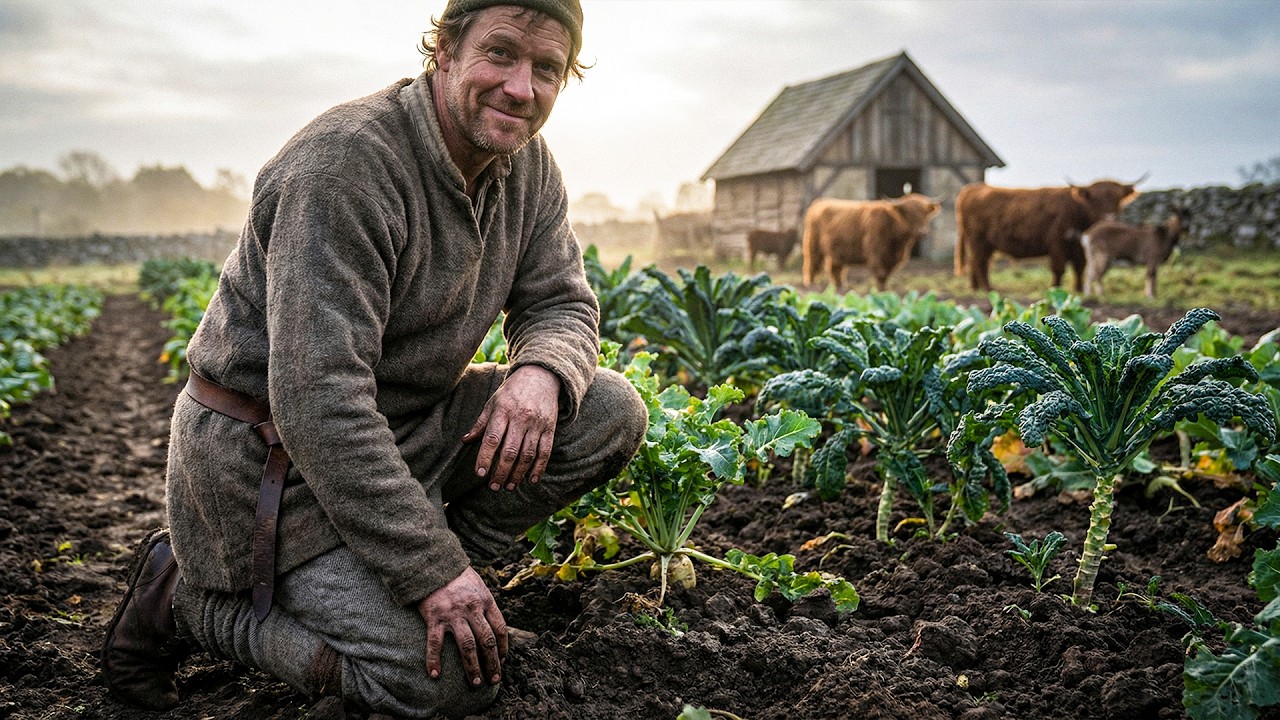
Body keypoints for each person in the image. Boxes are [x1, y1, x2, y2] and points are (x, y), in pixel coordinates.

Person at [100, 0, 647, 716]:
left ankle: (417, 566)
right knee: (448, 683)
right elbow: (318, 405)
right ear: (446, 49)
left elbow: (563, 303)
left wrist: (540, 373)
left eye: (547, 68)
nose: (523, 87)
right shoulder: (345, 169)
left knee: (605, 409)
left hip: (404, 430)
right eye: (502, 53)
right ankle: (191, 601)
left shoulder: (527, 168)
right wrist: (431, 571)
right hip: (276, 471)